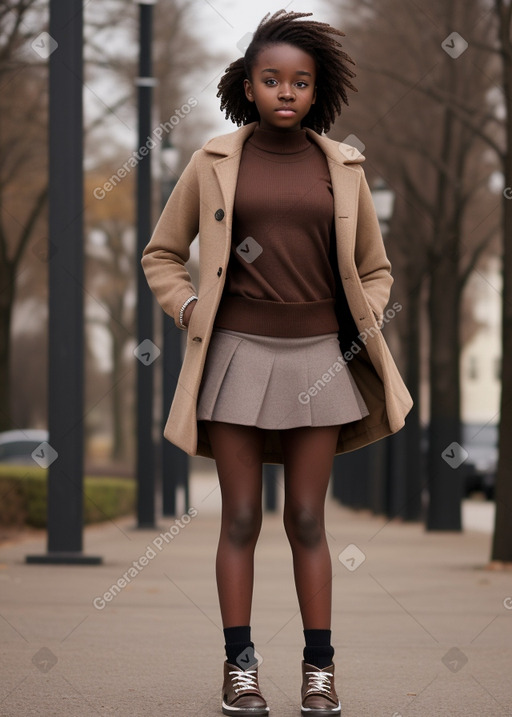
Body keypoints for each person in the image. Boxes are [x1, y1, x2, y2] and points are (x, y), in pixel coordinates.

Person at [142, 9, 413, 716]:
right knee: (238, 518)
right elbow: (162, 254)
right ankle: (240, 668)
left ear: (317, 89)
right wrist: (189, 308)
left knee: (306, 518)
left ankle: (318, 670)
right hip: (234, 356)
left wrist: (367, 316)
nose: (285, 92)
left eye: (299, 81)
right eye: (271, 80)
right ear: (249, 85)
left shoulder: (344, 167)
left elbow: (376, 269)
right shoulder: (213, 161)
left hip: (319, 361)